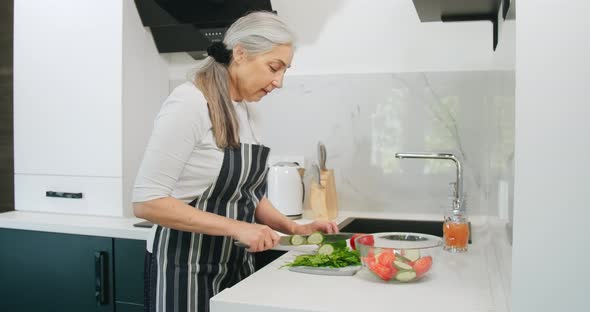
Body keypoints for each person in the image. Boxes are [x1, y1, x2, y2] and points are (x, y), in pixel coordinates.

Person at [132, 11, 339, 312]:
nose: (279, 82)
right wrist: (237, 228)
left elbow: (247, 194)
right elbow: (146, 202)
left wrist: (294, 229)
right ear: (240, 54)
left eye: (284, 71)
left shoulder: (247, 111)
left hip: (233, 264)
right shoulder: (189, 103)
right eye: (274, 67)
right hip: (182, 265)